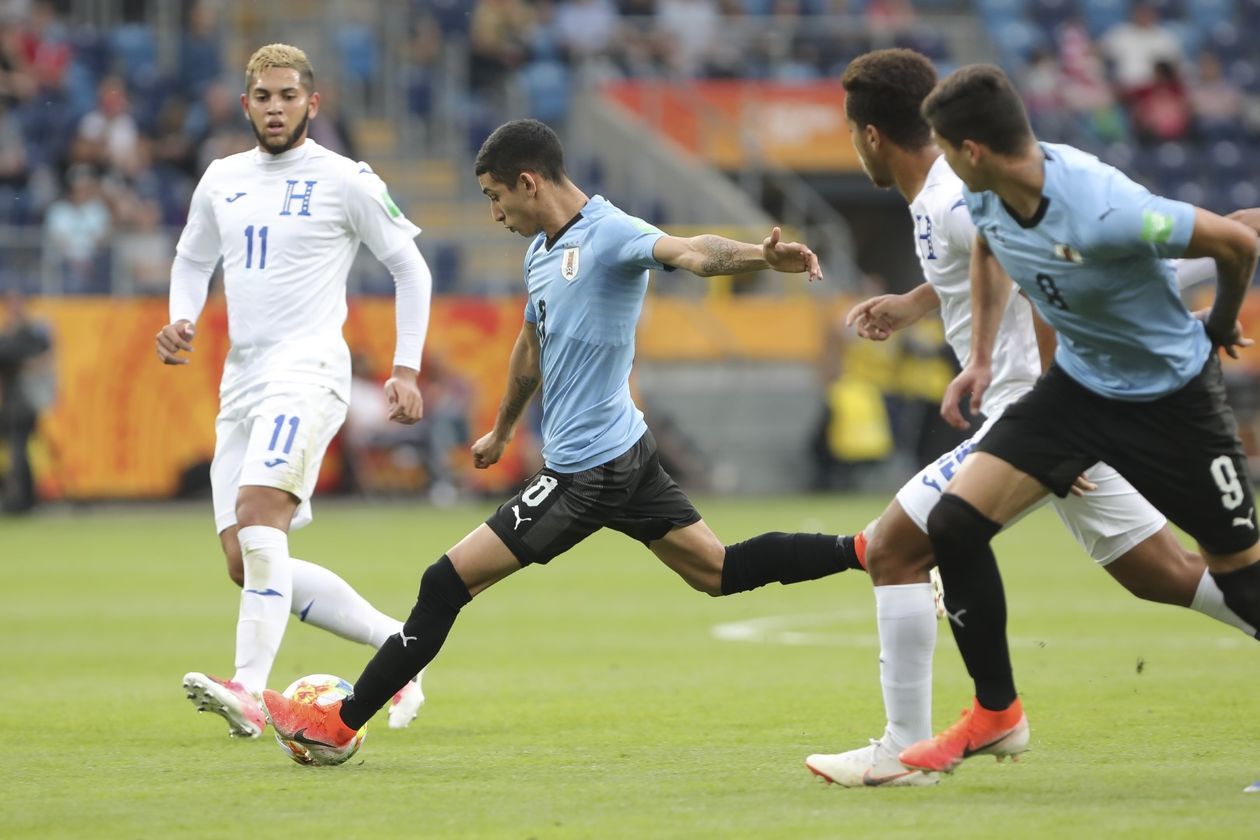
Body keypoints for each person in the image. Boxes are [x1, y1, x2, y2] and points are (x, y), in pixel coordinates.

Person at [262, 118, 866, 750]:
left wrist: (757, 256)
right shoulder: (540, 251)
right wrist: (502, 430)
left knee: (444, 583)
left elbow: (689, 251)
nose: (494, 213)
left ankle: (338, 722)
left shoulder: (609, 233)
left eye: (496, 197)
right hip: (624, 453)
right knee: (718, 570)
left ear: (529, 182)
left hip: (587, 472)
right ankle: (862, 549)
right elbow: (531, 344)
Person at [803, 48, 1259, 788]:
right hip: (1060, 397)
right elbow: (990, 246)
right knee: (1163, 576)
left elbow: (1048, 275)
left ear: (873, 136)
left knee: (895, 548)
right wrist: (946, 330)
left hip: (1078, 397)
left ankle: (915, 742)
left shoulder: (979, 192)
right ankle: (981, 719)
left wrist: (1067, 416)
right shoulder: (975, 193)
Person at [155, 44, 433, 739]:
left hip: (308, 371)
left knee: (259, 515)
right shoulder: (221, 178)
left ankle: (249, 690)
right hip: (241, 381)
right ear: (244, 103)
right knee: (241, 562)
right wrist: (180, 317)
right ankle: (397, 646)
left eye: (287, 96)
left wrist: (404, 368)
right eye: (262, 96)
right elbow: (193, 258)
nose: (274, 107)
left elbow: (410, 268)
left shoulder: (346, 180)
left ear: (314, 103)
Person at [0, 289, 53, 513]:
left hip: (23, 402)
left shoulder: (28, 332)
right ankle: (26, 497)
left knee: (19, 449)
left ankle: (20, 500)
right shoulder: (13, 333)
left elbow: (29, 355)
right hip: (13, 399)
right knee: (19, 449)